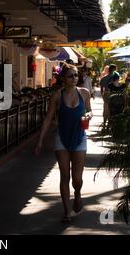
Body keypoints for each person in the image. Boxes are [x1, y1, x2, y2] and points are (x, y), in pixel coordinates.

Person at [34, 63, 93, 223]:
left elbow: (88, 109)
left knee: (77, 179)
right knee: (65, 176)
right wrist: (40, 141)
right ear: (63, 79)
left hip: (80, 138)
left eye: (75, 75)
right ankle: (67, 211)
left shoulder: (84, 93)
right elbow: (48, 119)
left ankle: (78, 194)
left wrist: (88, 115)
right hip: (62, 139)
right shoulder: (57, 96)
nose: (74, 78)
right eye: (70, 76)